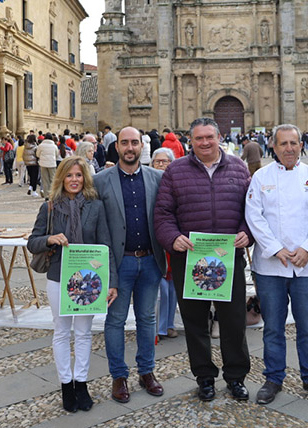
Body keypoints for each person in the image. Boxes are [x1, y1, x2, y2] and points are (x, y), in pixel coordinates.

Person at [154, 117, 253, 402]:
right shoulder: (175, 171)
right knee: (195, 324)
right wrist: (172, 238)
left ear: (219, 136)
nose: (205, 142)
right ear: (191, 141)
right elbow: (162, 214)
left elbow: (252, 210)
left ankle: (236, 377)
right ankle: (205, 377)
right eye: (199, 138)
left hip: (228, 259)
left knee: (234, 323)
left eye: (210, 137)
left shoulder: (237, 167)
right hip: (190, 261)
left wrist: (247, 233)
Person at [246, 124, 308, 405]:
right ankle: (273, 377)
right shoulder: (260, 177)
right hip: (271, 267)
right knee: (273, 326)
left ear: (300, 145)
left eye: (294, 143)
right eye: (283, 144)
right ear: (273, 146)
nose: (289, 148)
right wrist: (275, 248)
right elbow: (254, 216)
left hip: (305, 267)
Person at [27, 155, 111, 413]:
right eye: (69, 175)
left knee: (84, 333)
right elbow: (33, 241)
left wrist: (110, 280)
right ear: (61, 177)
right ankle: (66, 385)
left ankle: (81, 383)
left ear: (85, 178)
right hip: (59, 276)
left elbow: (105, 244)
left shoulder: (95, 206)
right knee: (62, 331)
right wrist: (50, 239)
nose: (74, 180)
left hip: (88, 280)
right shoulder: (50, 207)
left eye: (78, 175)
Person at [93, 127, 167, 404]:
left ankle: (147, 372)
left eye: (134, 142)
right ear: (117, 147)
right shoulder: (101, 181)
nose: (129, 147)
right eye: (124, 142)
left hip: (150, 260)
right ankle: (119, 375)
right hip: (119, 263)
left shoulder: (157, 178)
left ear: (141, 146)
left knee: (147, 319)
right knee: (115, 321)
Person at [150, 148, 179, 341]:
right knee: (162, 289)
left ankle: (169, 324)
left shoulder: (176, 182)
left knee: (173, 288)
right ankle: (159, 327)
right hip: (154, 240)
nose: (160, 165)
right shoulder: (148, 182)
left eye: (165, 162)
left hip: (173, 238)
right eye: (157, 162)